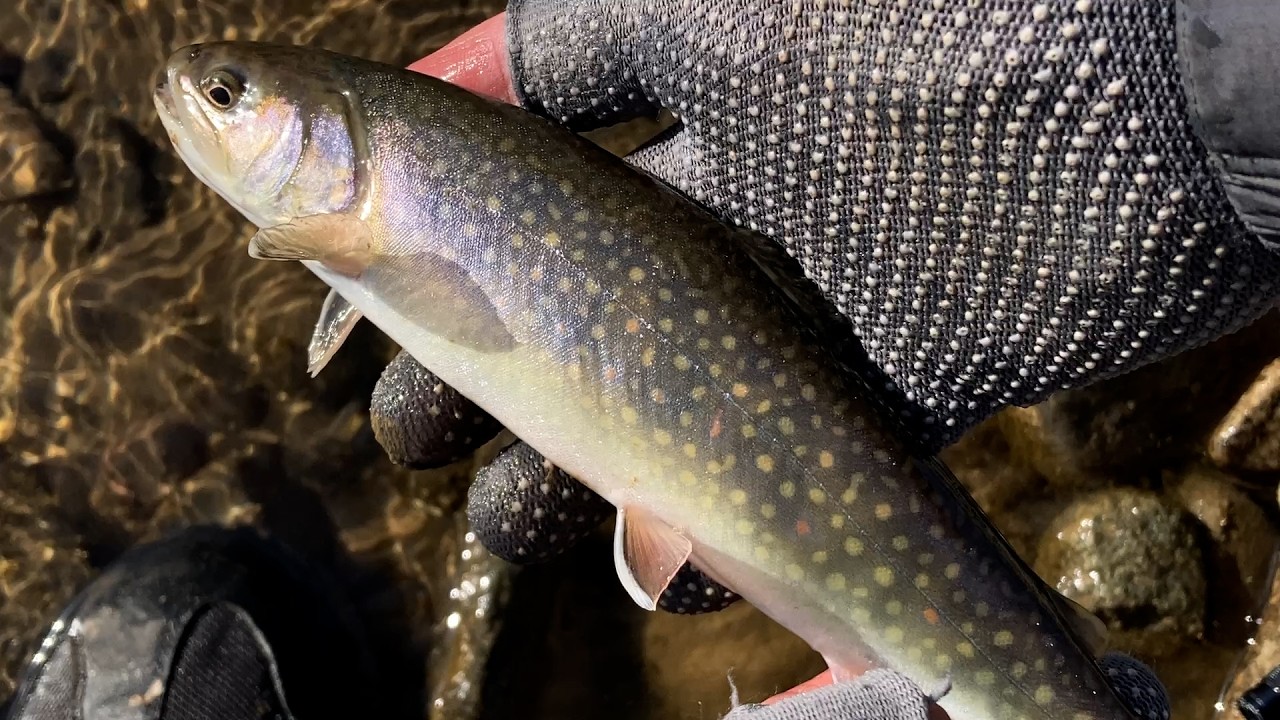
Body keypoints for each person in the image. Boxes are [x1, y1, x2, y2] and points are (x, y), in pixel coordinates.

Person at [11, 0, 1273, 717]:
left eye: (229, 94)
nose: (195, 94)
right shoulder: (358, 231)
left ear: (344, 144)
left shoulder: (373, 212)